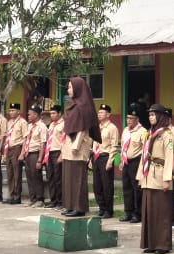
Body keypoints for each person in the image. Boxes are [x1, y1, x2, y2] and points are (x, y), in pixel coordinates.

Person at [139, 104, 174, 254]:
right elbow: (144, 156)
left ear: (161, 116)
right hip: (148, 175)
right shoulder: (149, 133)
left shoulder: (167, 134)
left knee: (161, 211)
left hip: (160, 174)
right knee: (149, 210)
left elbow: (170, 157)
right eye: (149, 115)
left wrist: (167, 178)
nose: (150, 117)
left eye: (153, 115)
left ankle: (162, 244)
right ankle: (150, 243)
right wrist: (140, 175)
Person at [61, 77, 96, 216]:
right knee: (69, 178)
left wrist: (76, 145)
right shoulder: (73, 104)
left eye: (70, 87)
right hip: (68, 146)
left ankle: (79, 207)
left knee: (77, 179)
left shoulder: (83, 106)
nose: (68, 90)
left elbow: (83, 128)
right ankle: (69, 205)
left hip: (78, 147)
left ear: (78, 88)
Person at [92, 104, 120, 218]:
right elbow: (95, 142)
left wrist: (110, 160)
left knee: (107, 185)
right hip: (97, 157)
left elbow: (114, 146)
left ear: (108, 115)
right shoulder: (98, 127)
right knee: (97, 185)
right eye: (99, 112)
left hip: (105, 157)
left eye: (102, 112)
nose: (99, 114)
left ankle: (109, 210)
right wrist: (92, 158)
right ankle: (101, 207)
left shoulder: (112, 128)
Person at [118, 108, 145, 223]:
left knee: (136, 189)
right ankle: (128, 212)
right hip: (126, 162)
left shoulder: (143, 131)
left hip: (136, 161)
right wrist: (121, 161)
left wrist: (142, 166)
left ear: (137, 119)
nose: (128, 121)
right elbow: (123, 146)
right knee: (126, 187)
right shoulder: (125, 130)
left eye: (131, 119)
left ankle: (137, 214)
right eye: (127, 118)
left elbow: (145, 149)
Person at [21, 104, 48, 207]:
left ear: (36, 115)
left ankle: (40, 199)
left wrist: (40, 160)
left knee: (36, 176)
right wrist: (23, 153)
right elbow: (26, 140)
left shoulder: (42, 127)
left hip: (35, 154)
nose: (28, 116)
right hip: (28, 154)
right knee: (29, 176)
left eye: (30, 114)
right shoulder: (29, 126)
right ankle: (32, 198)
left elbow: (43, 143)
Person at [2, 103, 28, 205]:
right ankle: (11, 195)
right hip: (9, 148)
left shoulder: (22, 122)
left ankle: (17, 196)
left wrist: (22, 153)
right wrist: (5, 153)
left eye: (13, 110)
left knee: (17, 173)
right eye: (10, 110)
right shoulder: (9, 123)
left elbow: (25, 138)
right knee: (10, 173)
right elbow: (7, 138)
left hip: (17, 148)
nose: (11, 112)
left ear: (18, 111)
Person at [46, 104, 66, 208]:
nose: (52, 115)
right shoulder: (51, 125)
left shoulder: (63, 124)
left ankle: (60, 201)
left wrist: (62, 154)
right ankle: (53, 200)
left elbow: (65, 140)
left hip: (58, 152)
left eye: (54, 113)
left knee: (58, 178)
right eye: (51, 114)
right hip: (49, 152)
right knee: (50, 177)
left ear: (59, 113)